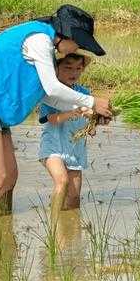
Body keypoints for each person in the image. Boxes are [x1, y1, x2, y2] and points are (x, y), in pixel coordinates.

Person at [0, 4, 113, 217]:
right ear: (65, 34)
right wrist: (92, 101)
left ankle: (3, 229)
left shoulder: (44, 42)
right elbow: (53, 88)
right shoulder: (39, 40)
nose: (76, 49)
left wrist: (90, 111)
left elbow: (48, 96)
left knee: (9, 176)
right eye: (77, 43)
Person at [38, 53, 93, 218]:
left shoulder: (84, 93)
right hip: (53, 148)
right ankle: (53, 227)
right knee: (62, 182)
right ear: (55, 68)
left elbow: (89, 118)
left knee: (74, 197)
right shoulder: (51, 92)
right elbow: (52, 119)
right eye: (68, 67)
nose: (73, 72)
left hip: (75, 150)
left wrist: (92, 125)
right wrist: (71, 112)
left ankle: (70, 229)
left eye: (78, 68)